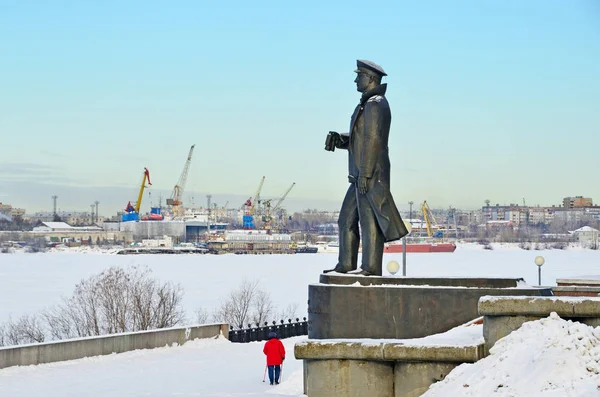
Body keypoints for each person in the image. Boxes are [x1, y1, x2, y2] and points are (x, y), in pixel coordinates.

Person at [323, 60, 409, 276]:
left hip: (369, 175)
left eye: (359, 76)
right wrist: (340, 140)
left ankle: (370, 267)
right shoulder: (368, 103)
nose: (355, 80)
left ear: (371, 78)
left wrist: (367, 173)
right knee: (346, 219)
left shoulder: (375, 104)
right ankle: (345, 264)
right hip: (360, 175)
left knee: (369, 221)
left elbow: (373, 139)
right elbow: (361, 138)